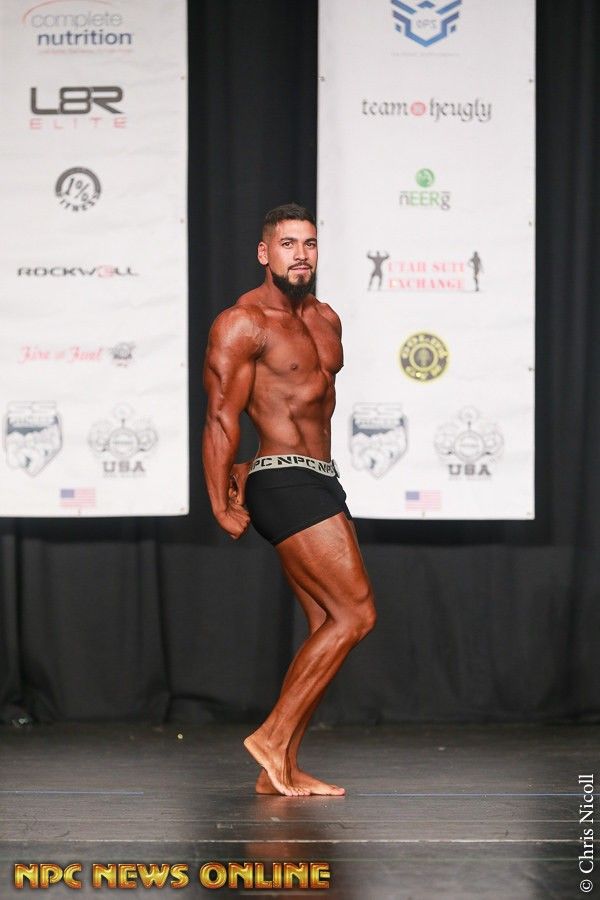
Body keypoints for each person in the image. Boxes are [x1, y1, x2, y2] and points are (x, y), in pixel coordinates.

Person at [202, 203, 376, 797]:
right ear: (264, 253)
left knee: (328, 622)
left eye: (309, 244)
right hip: (283, 478)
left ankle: (281, 766)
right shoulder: (242, 323)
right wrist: (220, 499)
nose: (300, 254)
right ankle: (272, 738)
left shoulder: (327, 319)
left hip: (321, 477)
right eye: (287, 244)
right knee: (356, 614)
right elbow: (221, 416)